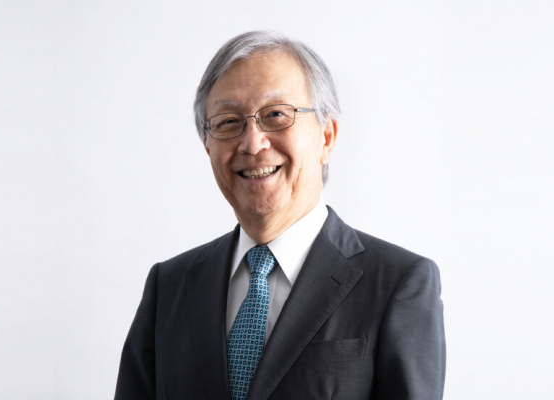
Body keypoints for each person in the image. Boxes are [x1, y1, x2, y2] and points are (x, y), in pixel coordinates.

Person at [114, 30, 446, 400]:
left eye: (276, 115)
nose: (252, 143)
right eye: (228, 121)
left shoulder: (398, 284)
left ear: (326, 137)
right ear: (207, 146)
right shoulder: (168, 287)